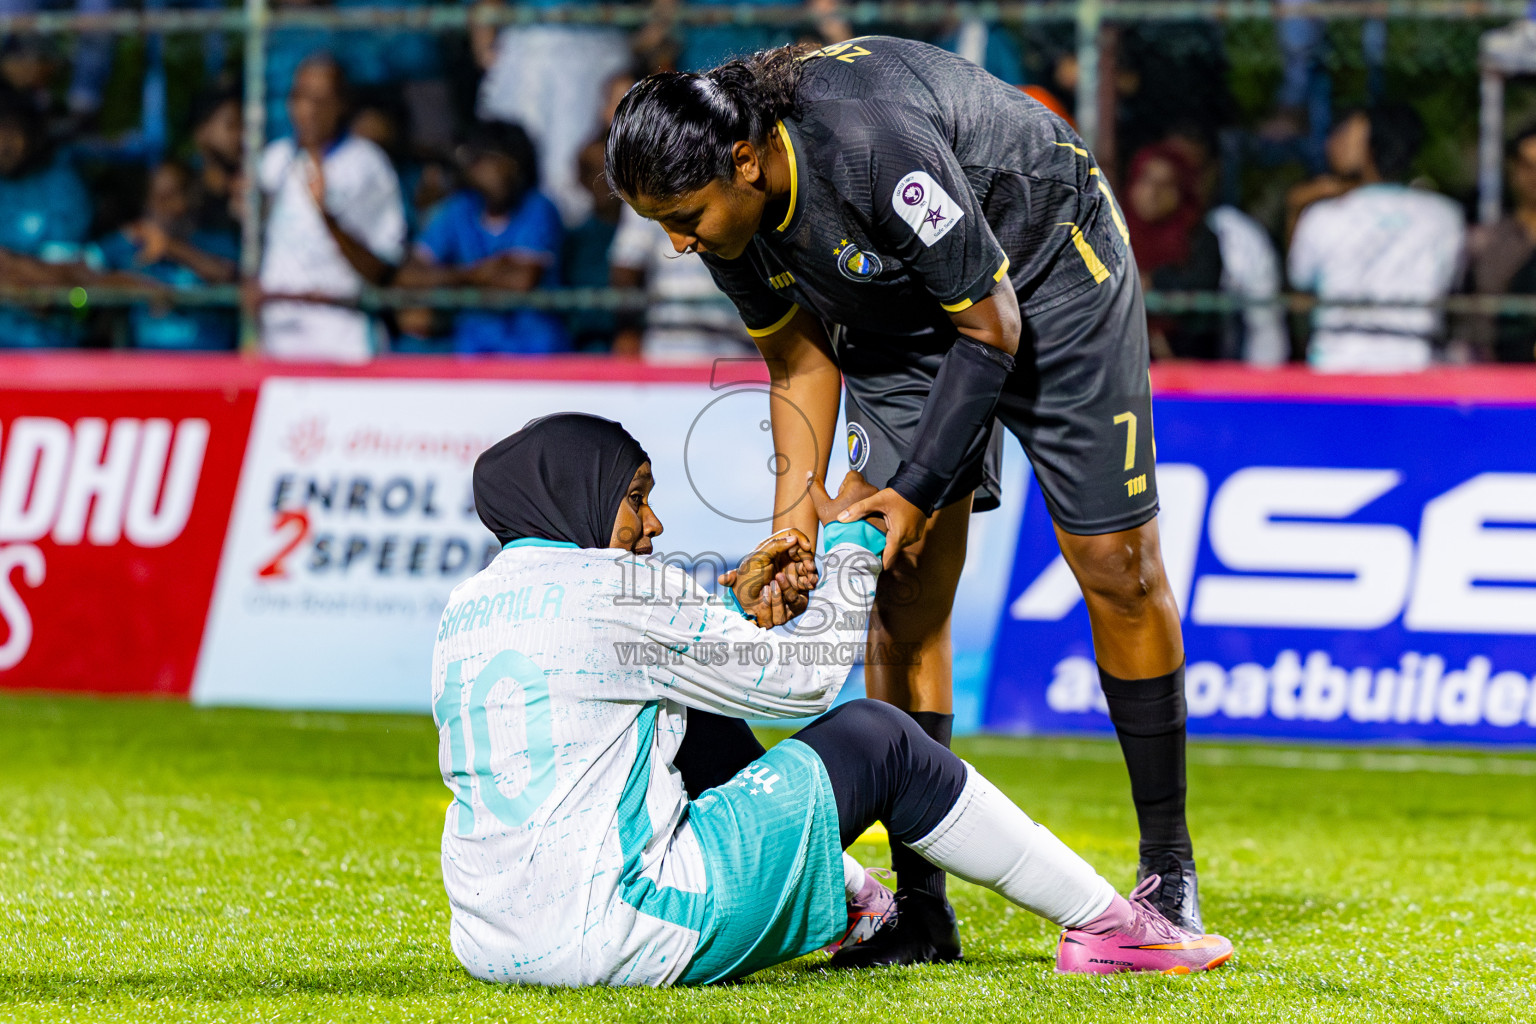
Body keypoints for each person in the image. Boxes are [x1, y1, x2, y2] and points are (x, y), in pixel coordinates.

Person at [605, 38, 1205, 966]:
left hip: (1048, 272)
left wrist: (917, 488)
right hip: (903, 316)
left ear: (747, 162)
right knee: (902, 585)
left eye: (684, 219)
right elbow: (797, 362)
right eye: (660, 225)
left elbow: (992, 324)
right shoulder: (728, 213)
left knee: (1116, 569)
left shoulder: (868, 146)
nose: (677, 243)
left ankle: (1168, 867)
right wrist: (792, 533)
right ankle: (922, 911)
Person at [434, 412, 1233, 986]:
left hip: (493, 944)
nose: (654, 522)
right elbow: (805, 681)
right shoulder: (614, 584)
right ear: (576, 494)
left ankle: (858, 906)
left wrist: (737, 612)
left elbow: (623, 667)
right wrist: (853, 543)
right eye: (635, 496)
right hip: (627, 932)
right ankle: (1110, 927)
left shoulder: (467, 605)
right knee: (877, 738)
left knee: (699, 715)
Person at [1288, 103, 1465, 373]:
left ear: (1367, 149)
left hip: (1335, 368)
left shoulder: (1323, 216)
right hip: (1416, 367)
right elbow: (1452, 283)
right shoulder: (1445, 217)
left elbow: (1300, 281)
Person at [258, 55, 406, 362]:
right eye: (301, 97)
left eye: (321, 100)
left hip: (344, 342)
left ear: (342, 105)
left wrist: (327, 216)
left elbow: (380, 269)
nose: (309, 110)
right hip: (279, 341)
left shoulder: (367, 165)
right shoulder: (274, 160)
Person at [395, 121, 569, 355]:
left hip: (534, 352)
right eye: (484, 161)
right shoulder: (459, 208)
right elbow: (408, 276)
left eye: (507, 161)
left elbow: (519, 280)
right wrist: (474, 274)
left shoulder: (538, 207)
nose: (496, 171)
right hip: (472, 351)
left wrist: (448, 279)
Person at [95, 161, 239, 350]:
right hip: (145, 363)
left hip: (210, 362)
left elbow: (229, 276)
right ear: (147, 202)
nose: (171, 208)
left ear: (191, 197)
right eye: (160, 199)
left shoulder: (216, 241)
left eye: (175, 196)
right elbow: (78, 280)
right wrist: (138, 286)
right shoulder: (128, 242)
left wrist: (169, 247)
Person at [0, 94, 94, 348]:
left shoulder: (63, 187)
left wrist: (12, 265)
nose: (4, 143)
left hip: (50, 341)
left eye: (11, 131)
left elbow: (69, 279)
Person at [1122, 142, 1224, 360]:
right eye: (1145, 180)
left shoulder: (1197, 236)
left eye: (1165, 184)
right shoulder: (1110, 232)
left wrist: (1154, 283)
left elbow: (1202, 289)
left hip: (1187, 361)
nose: (1153, 193)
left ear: (1182, 192)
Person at [1465, 124, 1536, 363]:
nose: (1534, 177)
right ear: (1513, 170)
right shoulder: (1485, 242)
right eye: (1527, 166)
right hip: (1495, 373)